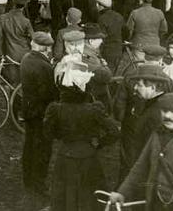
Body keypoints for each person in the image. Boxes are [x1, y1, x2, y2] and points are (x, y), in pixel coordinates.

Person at [44, 62, 119, 211]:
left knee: (64, 197)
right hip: (88, 156)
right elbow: (114, 132)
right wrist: (99, 143)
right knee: (89, 196)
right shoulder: (94, 109)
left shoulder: (56, 109)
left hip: (65, 156)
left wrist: (63, 136)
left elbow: (48, 133)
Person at [20, 31, 59, 196]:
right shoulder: (44, 66)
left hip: (29, 110)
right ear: (46, 48)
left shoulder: (26, 59)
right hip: (41, 113)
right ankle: (38, 183)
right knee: (42, 149)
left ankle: (28, 178)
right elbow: (48, 93)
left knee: (29, 144)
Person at [119, 64, 171, 181]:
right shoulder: (153, 104)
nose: (135, 88)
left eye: (139, 85)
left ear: (153, 87)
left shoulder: (156, 112)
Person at [0, 0, 34, 83]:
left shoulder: (2, 18)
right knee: (22, 83)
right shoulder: (26, 21)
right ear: (26, 4)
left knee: (9, 82)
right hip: (24, 55)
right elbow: (33, 39)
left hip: (8, 54)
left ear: (13, 1)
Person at [96, 0, 125, 71]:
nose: (96, 6)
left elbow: (101, 37)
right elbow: (125, 31)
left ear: (101, 6)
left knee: (107, 72)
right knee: (113, 70)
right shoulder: (119, 16)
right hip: (118, 49)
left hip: (107, 50)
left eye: (98, 4)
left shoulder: (102, 18)